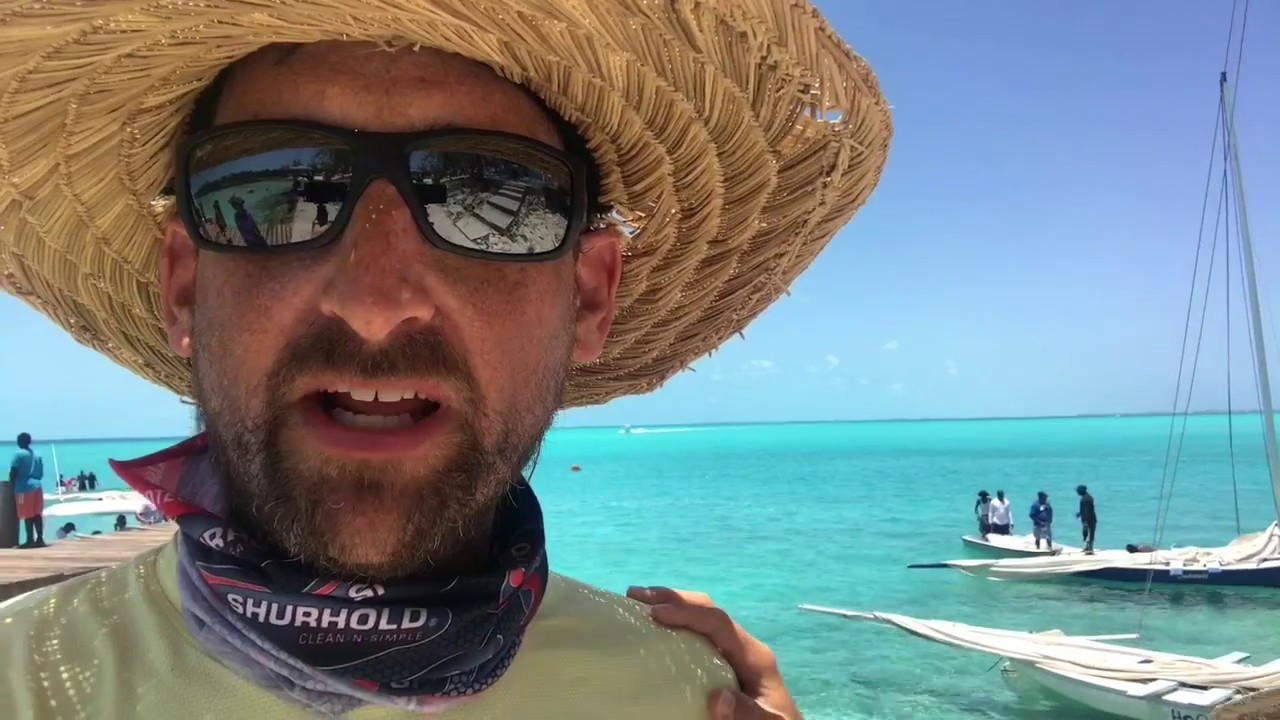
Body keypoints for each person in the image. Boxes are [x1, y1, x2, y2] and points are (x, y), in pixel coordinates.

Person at [0, 2, 891, 719]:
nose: (377, 300)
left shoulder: (679, 696)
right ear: (185, 285)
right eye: (271, 194)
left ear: (589, 298)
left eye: (489, 198)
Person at [9, 432, 45, 548]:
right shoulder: (37, 455)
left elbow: (13, 471)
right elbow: (41, 473)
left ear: (19, 442)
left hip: (24, 487)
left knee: (27, 513)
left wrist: (11, 484)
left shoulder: (18, 455)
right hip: (38, 486)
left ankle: (29, 540)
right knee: (37, 513)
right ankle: (40, 538)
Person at [1076, 484, 1097, 554]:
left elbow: (1087, 511)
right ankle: (1088, 547)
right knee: (1089, 533)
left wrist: (1085, 521)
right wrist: (1080, 513)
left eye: (1078, 491)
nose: (1077, 492)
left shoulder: (1085, 499)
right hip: (1090, 518)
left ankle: (1089, 548)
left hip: (1088, 519)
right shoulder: (1087, 498)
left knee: (1089, 533)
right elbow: (1086, 510)